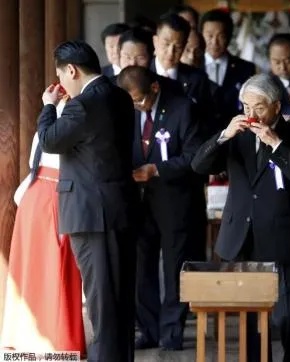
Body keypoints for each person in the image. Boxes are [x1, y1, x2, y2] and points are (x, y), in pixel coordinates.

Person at [192, 74, 290, 362]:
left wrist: (276, 143)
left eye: (258, 107)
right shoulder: (238, 136)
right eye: (245, 106)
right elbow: (199, 165)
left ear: (275, 106)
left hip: (285, 238)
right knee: (250, 323)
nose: (250, 114)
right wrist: (223, 136)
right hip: (243, 238)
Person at [37, 40, 138, 362]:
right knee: (118, 302)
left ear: (71, 70)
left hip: (92, 215)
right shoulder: (120, 96)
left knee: (102, 304)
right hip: (118, 208)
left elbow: (51, 141)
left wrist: (49, 106)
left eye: (62, 76)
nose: (63, 84)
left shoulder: (84, 104)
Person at [117, 66, 205, 350]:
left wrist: (157, 170)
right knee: (142, 268)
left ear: (155, 88)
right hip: (138, 202)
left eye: (140, 99)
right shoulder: (123, 111)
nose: (136, 106)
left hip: (175, 200)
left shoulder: (182, 109)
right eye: (131, 101)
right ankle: (149, 330)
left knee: (174, 267)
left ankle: (172, 331)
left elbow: (195, 158)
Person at [1, 95, 86, 356]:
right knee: (56, 266)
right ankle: (57, 337)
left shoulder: (47, 123)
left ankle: (25, 335)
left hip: (36, 194)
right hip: (56, 194)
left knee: (31, 267)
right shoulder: (69, 125)